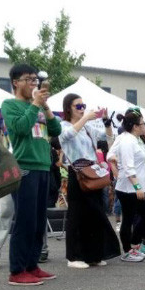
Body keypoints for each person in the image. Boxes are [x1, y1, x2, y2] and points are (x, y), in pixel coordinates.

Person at [1, 64, 61, 285]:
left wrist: (45, 107)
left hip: (44, 165)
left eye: (36, 80)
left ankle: (32, 265)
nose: (34, 84)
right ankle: (17, 270)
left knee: (37, 221)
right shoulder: (10, 105)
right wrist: (35, 104)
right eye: (29, 79)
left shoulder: (37, 107)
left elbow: (56, 131)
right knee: (24, 220)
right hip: (24, 166)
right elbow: (20, 128)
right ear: (16, 82)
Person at [59, 94, 121, 268]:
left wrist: (107, 122)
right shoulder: (63, 125)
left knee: (95, 213)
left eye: (83, 105)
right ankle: (74, 256)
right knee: (77, 214)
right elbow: (66, 136)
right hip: (76, 172)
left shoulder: (87, 128)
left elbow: (107, 138)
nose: (82, 109)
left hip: (92, 172)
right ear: (68, 108)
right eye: (78, 106)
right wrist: (85, 117)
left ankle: (93, 254)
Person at [107, 109, 145, 262]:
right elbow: (128, 166)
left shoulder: (136, 140)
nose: (144, 127)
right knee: (129, 218)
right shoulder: (126, 140)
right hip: (129, 188)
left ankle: (134, 245)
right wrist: (137, 187)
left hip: (139, 186)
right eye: (142, 125)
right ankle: (127, 251)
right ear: (134, 126)